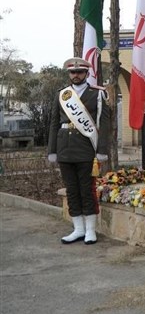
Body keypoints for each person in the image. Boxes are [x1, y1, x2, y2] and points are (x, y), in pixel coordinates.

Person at [48, 57, 110, 244]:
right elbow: (53, 124)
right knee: (72, 190)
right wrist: (52, 150)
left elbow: (104, 124)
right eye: (72, 72)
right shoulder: (62, 94)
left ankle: (90, 230)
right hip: (65, 148)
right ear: (69, 74)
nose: (76, 75)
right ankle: (78, 229)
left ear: (86, 73)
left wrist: (101, 150)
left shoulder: (97, 94)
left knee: (86, 190)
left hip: (86, 148)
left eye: (80, 72)